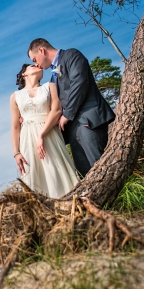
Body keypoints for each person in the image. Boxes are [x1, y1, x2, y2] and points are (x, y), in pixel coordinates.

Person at [27, 38, 115, 177]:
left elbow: (79, 83)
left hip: (88, 120)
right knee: (84, 172)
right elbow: (52, 102)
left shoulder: (72, 55)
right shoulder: (54, 73)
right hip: (72, 128)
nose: (36, 64)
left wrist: (67, 114)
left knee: (99, 168)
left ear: (41, 50)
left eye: (34, 59)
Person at [10, 64, 78, 198]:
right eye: (31, 65)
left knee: (55, 169)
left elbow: (56, 111)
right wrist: (16, 152)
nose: (37, 65)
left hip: (49, 133)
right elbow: (15, 126)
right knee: (32, 173)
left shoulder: (50, 86)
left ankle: (68, 202)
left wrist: (42, 135)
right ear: (24, 74)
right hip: (28, 137)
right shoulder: (15, 96)